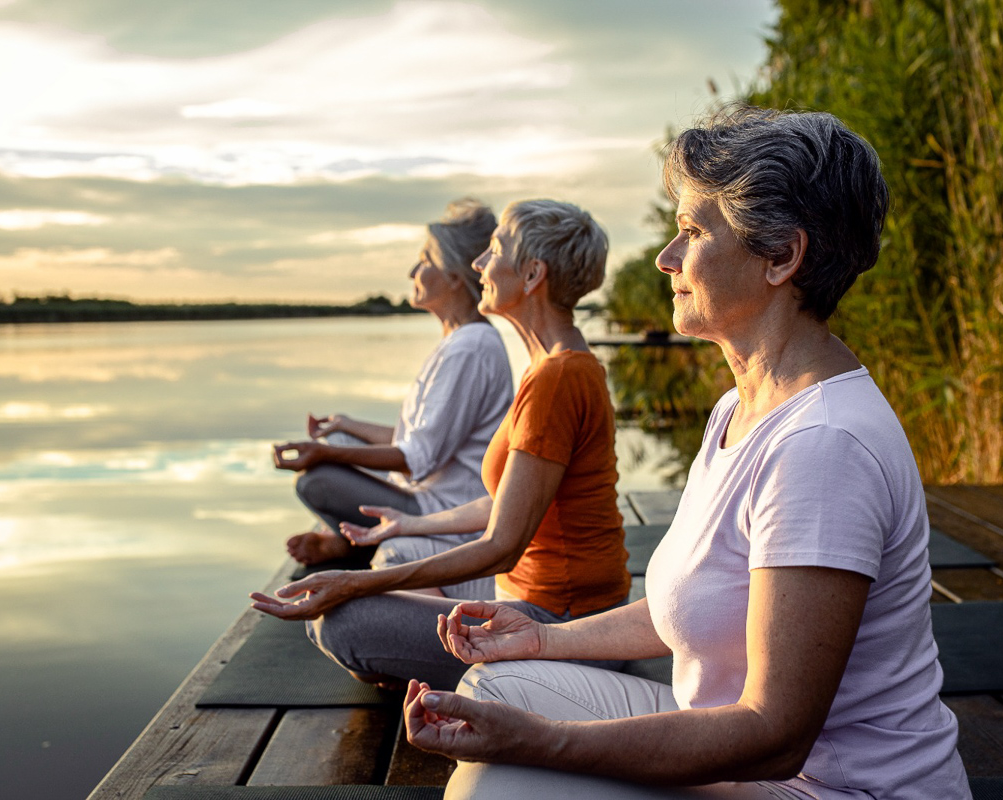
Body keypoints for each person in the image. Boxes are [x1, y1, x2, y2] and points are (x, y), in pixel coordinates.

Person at [402, 106, 972, 800]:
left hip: (825, 787)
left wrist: (541, 743)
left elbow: (775, 734)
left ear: (781, 257)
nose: (667, 259)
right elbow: (693, 607)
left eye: (694, 231)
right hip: (742, 747)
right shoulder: (741, 406)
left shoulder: (823, 448)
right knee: (499, 681)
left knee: (496, 782)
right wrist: (542, 640)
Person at [252, 199, 632, 689]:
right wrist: (412, 522)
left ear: (532, 274)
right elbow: (504, 504)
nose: (478, 265)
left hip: (563, 629)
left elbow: (501, 547)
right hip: (547, 612)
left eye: (494, 251)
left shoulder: (558, 377)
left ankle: (474, 674)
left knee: (341, 621)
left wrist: (358, 581)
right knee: (372, 586)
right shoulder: (552, 367)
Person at [271, 199, 512, 596]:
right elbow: (416, 441)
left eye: (425, 260)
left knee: (317, 480)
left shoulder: (469, 348)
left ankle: (349, 545)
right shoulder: (458, 340)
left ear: (454, 277)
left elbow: (414, 458)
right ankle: (347, 540)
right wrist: (345, 427)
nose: (413, 272)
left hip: (441, 512)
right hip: (425, 490)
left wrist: (325, 456)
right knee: (339, 439)